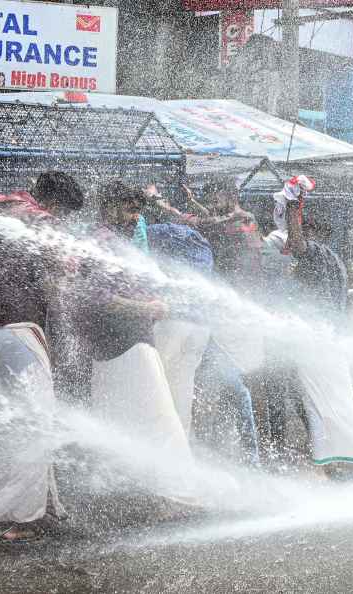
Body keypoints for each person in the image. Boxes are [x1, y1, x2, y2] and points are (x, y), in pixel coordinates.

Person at [0, 171, 85, 543]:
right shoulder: (43, 221)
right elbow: (64, 271)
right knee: (36, 424)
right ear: (56, 204)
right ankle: (20, 519)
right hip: (18, 327)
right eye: (66, 213)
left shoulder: (1, 204)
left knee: (13, 424)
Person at [79, 181, 195, 497]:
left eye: (139, 212)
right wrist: (150, 307)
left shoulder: (109, 240)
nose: (135, 218)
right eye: (130, 210)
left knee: (120, 419)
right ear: (108, 207)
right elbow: (101, 299)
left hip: (111, 344)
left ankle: (127, 491)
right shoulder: (103, 242)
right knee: (159, 417)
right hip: (127, 342)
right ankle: (178, 492)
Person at [147, 178, 262, 466]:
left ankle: (251, 457)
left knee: (233, 385)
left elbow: (204, 223)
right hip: (221, 316)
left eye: (214, 196)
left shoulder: (241, 222)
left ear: (231, 194)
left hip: (231, 319)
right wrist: (189, 204)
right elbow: (209, 220)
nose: (210, 203)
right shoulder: (239, 220)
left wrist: (159, 201)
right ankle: (224, 452)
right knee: (211, 383)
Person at [262, 175, 353, 469]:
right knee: (328, 405)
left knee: (300, 398)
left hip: (311, 346)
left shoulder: (314, 255)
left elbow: (297, 245)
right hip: (330, 346)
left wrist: (294, 207)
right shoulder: (335, 260)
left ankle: (287, 456)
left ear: (310, 231)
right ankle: (339, 463)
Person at [148, 222, 215, 436]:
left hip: (173, 321)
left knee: (156, 381)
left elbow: (137, 243)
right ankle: (182, 444)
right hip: (201, 327)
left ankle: (156, 443)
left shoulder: (161, 231)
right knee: (183, 385)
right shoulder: (203, 245)